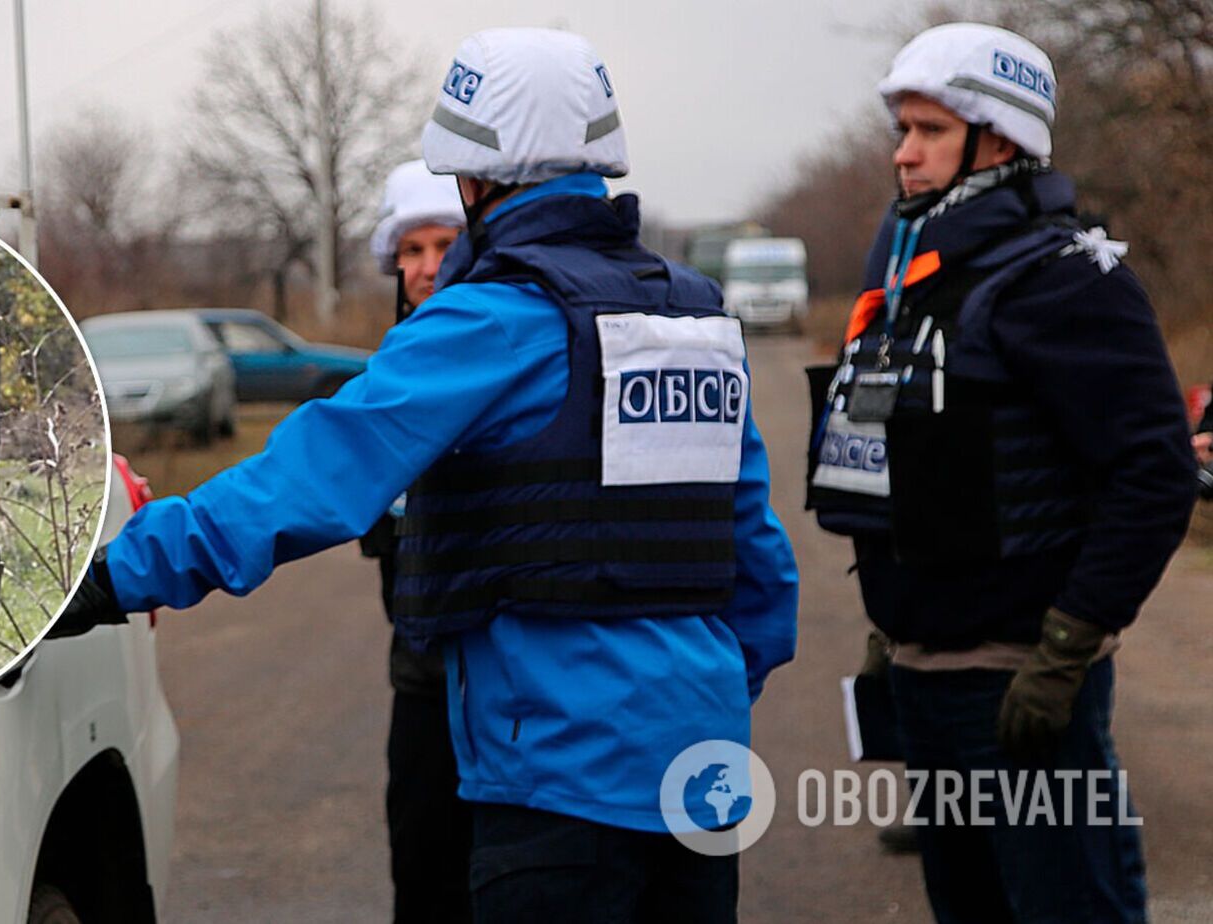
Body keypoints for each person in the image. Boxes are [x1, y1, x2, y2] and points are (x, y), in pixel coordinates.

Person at [68, 29, 797, 921]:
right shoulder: (694, 315)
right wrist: (701, 702)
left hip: (557, 783)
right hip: (702, 771)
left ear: (471, 178)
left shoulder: (489, 319)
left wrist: (111, 576)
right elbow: (758, 555)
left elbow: (311, 476)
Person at [806, 23, 1197, 922]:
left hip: (1021, 684)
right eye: (902, 131)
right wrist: (891, 623)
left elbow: (1154, 473)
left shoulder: (1064, 279)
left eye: (930, 131)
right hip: (923, 677)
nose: (904, 154)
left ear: (1000, 143)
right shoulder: (911, 278)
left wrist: (1067, 645)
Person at [360, 158, 470, 923]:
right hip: (420, 678)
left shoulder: (517, 354)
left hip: (512, 681)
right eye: (412, 250)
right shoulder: (384, 377)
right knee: (423, 872)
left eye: (445, 246)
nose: (428, 267)